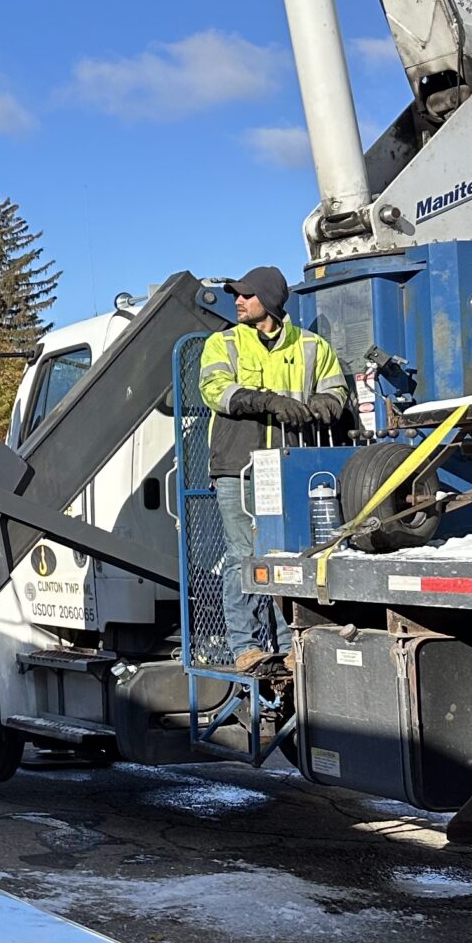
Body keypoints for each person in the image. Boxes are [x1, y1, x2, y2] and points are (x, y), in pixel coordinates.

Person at [199, 263, 350, 669]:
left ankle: (289, 645)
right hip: (238, 468)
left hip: (291, 467)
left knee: (291, 556)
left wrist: (319, 407)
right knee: (243, 556)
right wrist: (267, 401)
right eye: (236, 294)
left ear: (269, 300)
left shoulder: (312, 346)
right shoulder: (223, 343)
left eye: (246, 294)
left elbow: (337, 392)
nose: (238, 301)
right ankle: (246, 646)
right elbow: (215, 390)